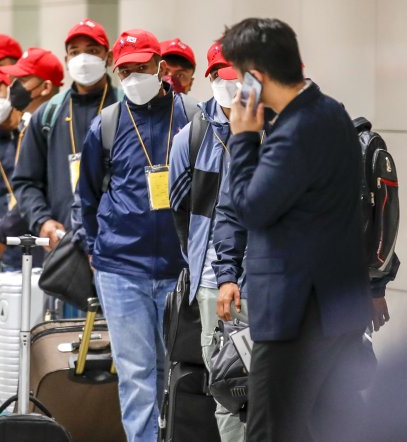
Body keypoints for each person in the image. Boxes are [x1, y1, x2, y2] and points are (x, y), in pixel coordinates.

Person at [220, 18, 378, 441]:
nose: (237, 88)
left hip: (296, 313)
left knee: (270, 430)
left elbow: (251, 208)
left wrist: (243, 138)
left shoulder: (293, 132)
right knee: (322, 428)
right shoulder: (332, 112)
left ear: (256, 77)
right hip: (336, 306)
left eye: (239, 76)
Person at [78, 29, 196, 442]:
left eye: (141, 68)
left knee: (177, 370)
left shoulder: (192, 116)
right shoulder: (106, 125)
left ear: (161, 68)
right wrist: (96, 249)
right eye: (124, 70)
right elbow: (87, 196)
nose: (133, 77)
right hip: (121, 269)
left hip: (179, 270)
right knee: (136, 373)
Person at [168, 41, 247, 441]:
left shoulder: (272, 126)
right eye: (225, 80)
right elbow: (181, 210)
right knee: (228, 388)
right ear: (212, 79)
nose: (233, 90)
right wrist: (202, 265)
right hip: (216, 286)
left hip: (271, 281)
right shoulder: (192, 137)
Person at [12, 18, 120, 251]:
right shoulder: (48, 114)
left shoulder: (126, 107)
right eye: (75, 52)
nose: (83, 59)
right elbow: (25, 181)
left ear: (108, 58)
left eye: (92, 51)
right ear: (67, 60)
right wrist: (42, 220)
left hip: (121, 246)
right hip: (64, 243)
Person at [0, 48, 63, 264]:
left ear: (46, 87)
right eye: (13, 80)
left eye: (21, 80)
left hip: (56, 236)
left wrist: (2, 231)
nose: (14, 87)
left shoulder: (57, 124)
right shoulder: (29, 123)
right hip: (24, 245)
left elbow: (37, 186)